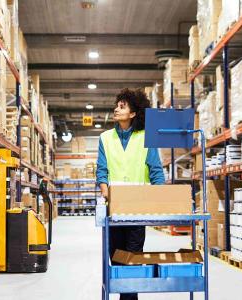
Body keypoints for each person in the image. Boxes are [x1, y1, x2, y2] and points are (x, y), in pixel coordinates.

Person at [96, 88, 165, 300]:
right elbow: (102, 171)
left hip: (137, 211)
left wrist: (164, 201)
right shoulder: (105, 138)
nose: (116, 109)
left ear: (133, 113)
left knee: (132, 259)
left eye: (122, 106)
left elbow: (156, 171)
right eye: (117, 105)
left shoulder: (146, 137)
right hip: (115, 211)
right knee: (116, 260)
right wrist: (105, 198)